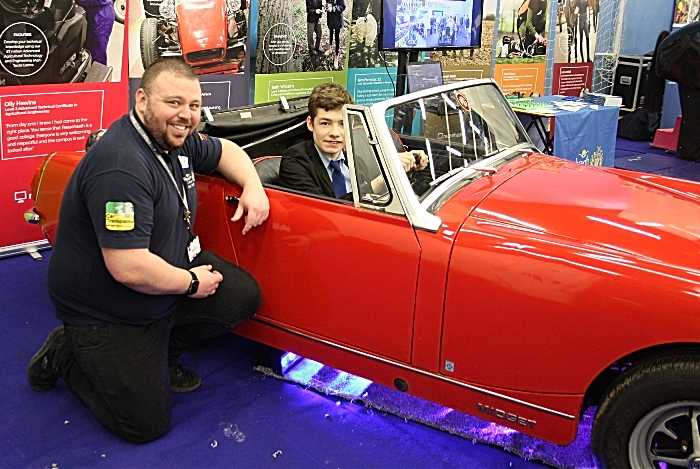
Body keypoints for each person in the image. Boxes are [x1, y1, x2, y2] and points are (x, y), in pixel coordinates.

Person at [27, 59, 270, 443]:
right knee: (144, 426)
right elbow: (128, 267)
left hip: (163, 277)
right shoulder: (121, 167)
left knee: (241, 295)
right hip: (108, 307)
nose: (186, 115)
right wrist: (191, 282)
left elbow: (226, 151)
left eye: (193, 105)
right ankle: (65, 353)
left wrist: (252, 185)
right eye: (173, 103)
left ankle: (160, 355)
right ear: (142, 100)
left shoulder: (176, 137)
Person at [279, 82, 426, 200]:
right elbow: (326, 212)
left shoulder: (355, 161)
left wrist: (406, 167)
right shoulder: (294, 162)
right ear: (310, 124)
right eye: (325, 123)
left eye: (342, 124)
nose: (335, 133)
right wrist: (383, 179)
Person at [76, 0, 114, 66]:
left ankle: (98, 73)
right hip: (90, 13)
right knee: (87, 49)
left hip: (101, 16)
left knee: (98, 53)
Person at [323, 0, 345, 69]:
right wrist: (327, 5)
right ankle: (330, 49)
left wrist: (333, 9)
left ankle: (336, 55)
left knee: (337, 37)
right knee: (331, 33)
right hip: (330, 18)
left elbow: (342, 6)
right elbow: (327, 2)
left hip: (337, 19)